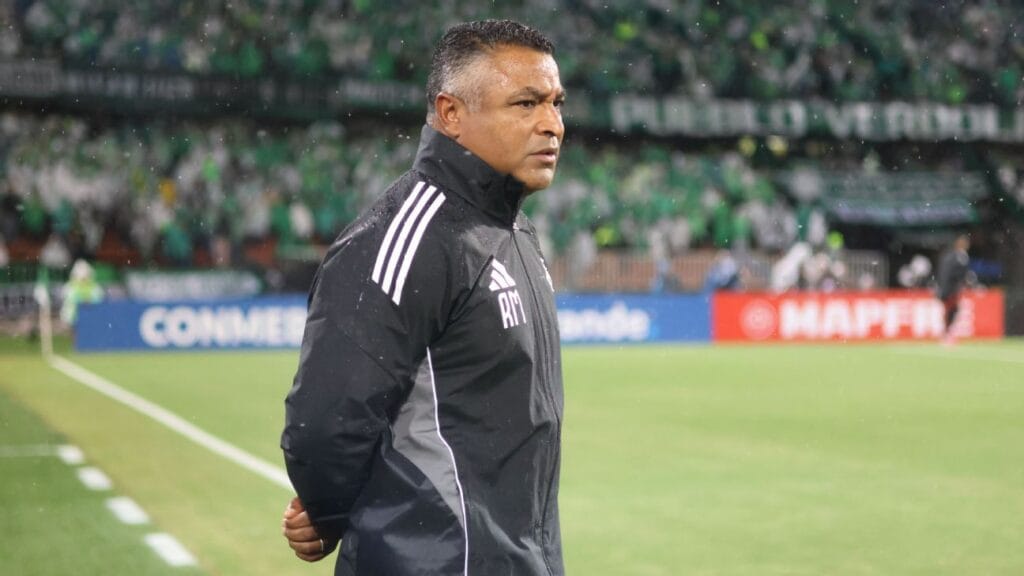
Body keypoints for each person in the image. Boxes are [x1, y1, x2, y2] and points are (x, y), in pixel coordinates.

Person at [280, 20, 566, 576]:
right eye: (526, 103)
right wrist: (328, 511)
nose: (552, 124)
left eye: (556, 103)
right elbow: (326, 422)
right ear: (451, 113)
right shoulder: (407, 236)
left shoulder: (515, 232)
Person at [935, 233, 971, 345]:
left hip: (947, 289)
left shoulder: (949, 256)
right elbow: (956, 275)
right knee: (951, 311)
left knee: (951, 311)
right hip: (951, 290)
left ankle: (947, 333)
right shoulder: (959, 257)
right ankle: (947, 334)